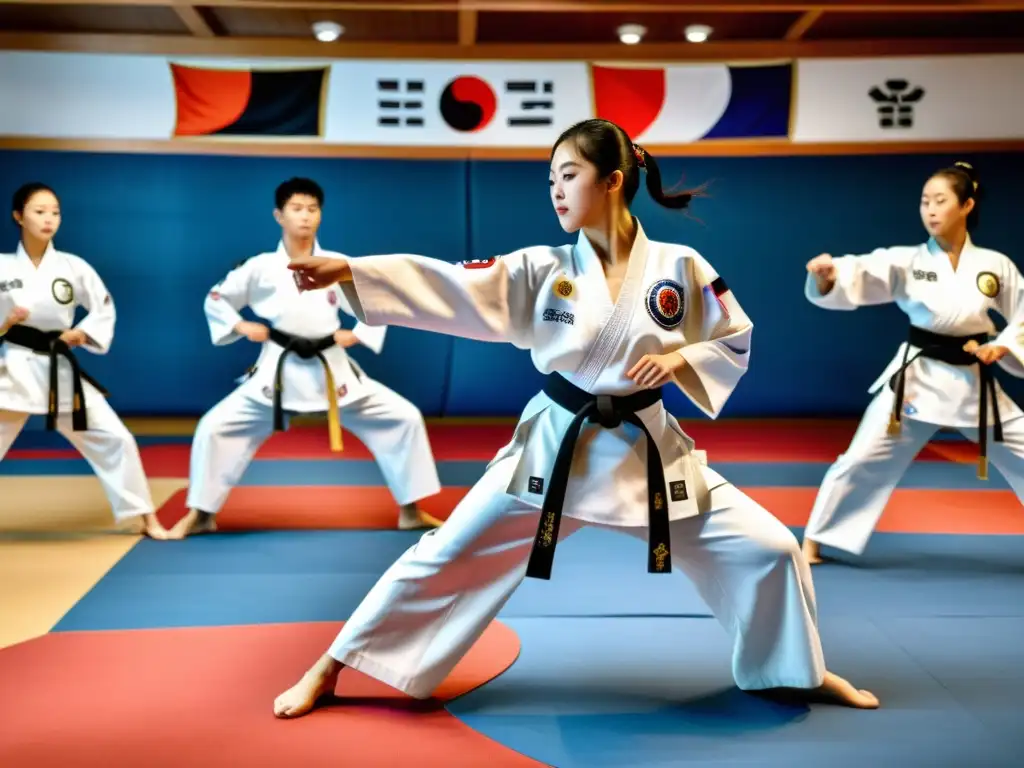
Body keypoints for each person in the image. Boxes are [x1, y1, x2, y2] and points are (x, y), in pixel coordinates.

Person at [271, 119, 879, 717]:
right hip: (558, 449)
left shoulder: (680, 266)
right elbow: (455, 285)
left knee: (772, 547)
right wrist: (355, 271)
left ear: (612, 181)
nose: (556, 191)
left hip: (650, 454)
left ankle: (798, 672)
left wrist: (681, 358)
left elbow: (734, 337)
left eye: (569, 175)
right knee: (443, 552)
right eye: (551, 180)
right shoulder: (543, 267)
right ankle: (331, 667)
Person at [170, 177, 442, 539]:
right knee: (215, 427)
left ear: (321, 216)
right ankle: (201, 514)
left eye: (312, 209)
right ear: (278, 215)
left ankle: (411, 511)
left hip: (332, 371)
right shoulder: (261, 267)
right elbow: (217, 298)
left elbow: (373, 300)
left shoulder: (335, 264)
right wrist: (239, 324)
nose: (305, 217)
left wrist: (359, 334)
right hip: (277, 375)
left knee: (403, 418)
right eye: (296, 209)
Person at [801, 161, 1024, 565]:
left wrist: (1004, 347)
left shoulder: (995, 264)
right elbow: (860, 270)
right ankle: (813, 540)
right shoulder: (907, 261)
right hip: (917, 380)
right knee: (861, 457)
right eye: (924, 202)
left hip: (973, 379)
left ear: (967, 204)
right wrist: (827, 277)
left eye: (941, 201)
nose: (931, 210)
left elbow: (1022, 315)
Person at [0, 183, 167, 538]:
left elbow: (103, 308)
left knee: (116, 439)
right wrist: (7, 322)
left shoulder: (73, 266)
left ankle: (145, 516)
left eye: (55, 212)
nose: (49, 219)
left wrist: (81, 334)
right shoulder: (2, 267)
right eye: (39, 211)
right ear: (18, 216)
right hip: (12, 367)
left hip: (60, 370)